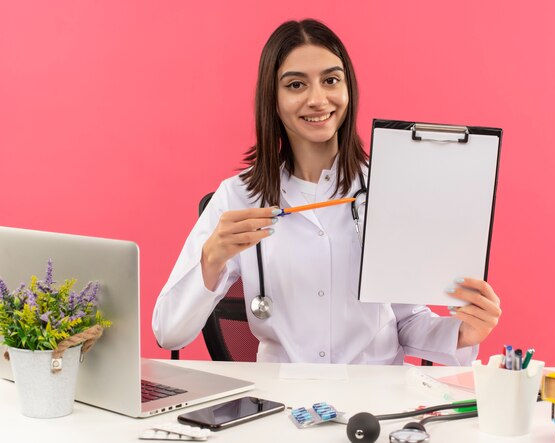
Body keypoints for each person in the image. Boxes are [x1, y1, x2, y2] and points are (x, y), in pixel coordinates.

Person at [152, 19, 501, 365]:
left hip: (374, 402)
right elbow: (168, 332)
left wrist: (462, 334)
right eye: (296, 85)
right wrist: (211, 257)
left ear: (348, 89)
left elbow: (406, 319)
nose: (318, 99)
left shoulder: (388, 189)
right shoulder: (237, 197)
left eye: (331, 80)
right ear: (272, 99)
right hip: (281, 402)